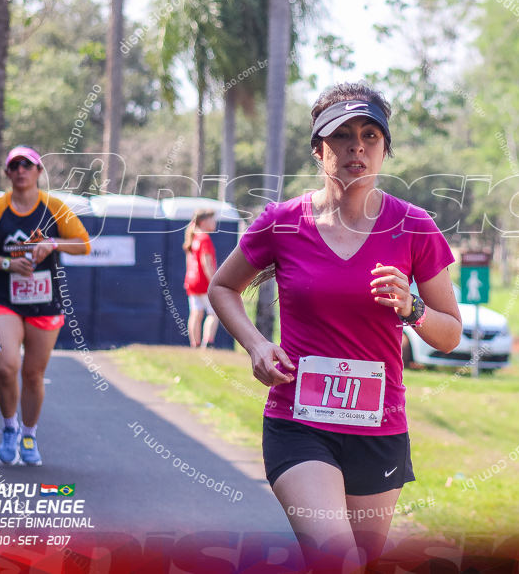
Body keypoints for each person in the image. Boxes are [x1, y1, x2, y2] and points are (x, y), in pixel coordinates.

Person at [208, 82, 462, 571]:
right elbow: (223, 287)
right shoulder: (281, 223)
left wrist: (412, 309)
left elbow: (450, 335)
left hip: (378, 426)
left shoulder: (414, 227)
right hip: (297, 423)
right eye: (341, 135)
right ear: (318, 149)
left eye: (370, 135)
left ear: (385, 149)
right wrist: (258, 345)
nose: (356, 147)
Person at [0, 146, 91, 465]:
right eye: (15, 165)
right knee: (6, 366)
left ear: (39, 171)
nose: (21, 170)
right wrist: (9, 265)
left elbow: (84, 245)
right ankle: (9, 427)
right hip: (4, 300)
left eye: (28, 164)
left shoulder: (53, 207)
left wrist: (52, 243)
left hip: (44, 302)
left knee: (34, 374)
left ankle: (29, 434)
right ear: (8, 173)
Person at [183, 209, 220, 349]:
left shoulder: (193, 238)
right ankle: (208, 343)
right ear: (203, 222)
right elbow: (206, 263)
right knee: (213, 312)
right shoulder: (204, 238)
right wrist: (214, 283)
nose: (215, 222)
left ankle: (195, 344)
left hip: (191, 281)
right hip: (203, 281)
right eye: (212, 219)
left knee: (196, 313)